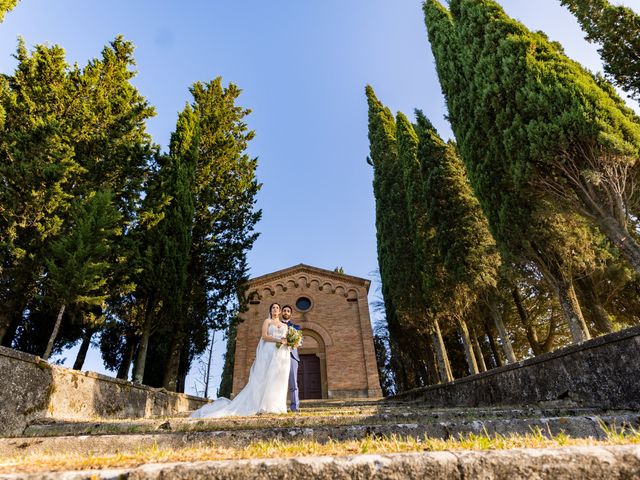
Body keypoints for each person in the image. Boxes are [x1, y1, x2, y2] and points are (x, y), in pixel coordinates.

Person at [190, 303, 291, 418]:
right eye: (273, 307)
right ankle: (263, 405)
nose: (275, 309)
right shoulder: (267, 322)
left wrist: (291, 342)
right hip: (268, 352)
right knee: (264, 377)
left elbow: (287, 339)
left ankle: (275, 405)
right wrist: (278, 339)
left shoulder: (285, 326)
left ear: (280, 311)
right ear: (271, 310)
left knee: (276, 378)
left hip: (280, 354)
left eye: (277, 308)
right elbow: (264, 336)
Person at [281, 305, 302, 412]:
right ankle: (279, 407)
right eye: (284, 310)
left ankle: (294, 407)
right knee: (278, 381)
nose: (286, 312)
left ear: (290, 314)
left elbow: (300, 341)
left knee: (293, 383)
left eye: (288, 311)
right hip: (279, 356)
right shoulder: (277, 325)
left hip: (292, 356)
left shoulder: (296, 327)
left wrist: (291, 342)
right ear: (281, 313)